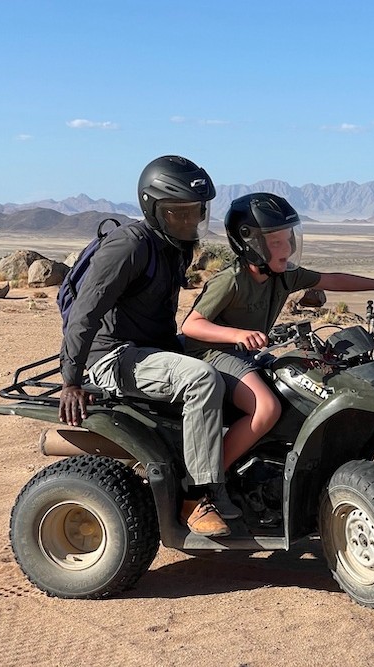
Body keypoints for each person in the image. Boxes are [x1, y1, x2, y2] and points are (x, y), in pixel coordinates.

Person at [180, 193, 374, 503]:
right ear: (250, 244)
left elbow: (331, 279)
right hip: (213, 354)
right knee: (266, 408)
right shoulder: (231, 280)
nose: (287, 249)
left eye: (288, 240)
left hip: (243, 354)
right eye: (276, 242)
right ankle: (205, 487)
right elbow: (192, 325)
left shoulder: (283, 277)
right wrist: (237, 334)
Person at [58, 154, 234, 538]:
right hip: (112, 355)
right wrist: (71, 380)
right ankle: (195, 496)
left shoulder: (174, 244)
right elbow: (84, 314)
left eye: (195, 212)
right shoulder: (128, 247)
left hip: (154, 348)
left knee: (241, 362)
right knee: (201, 379)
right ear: (153, 209)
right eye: (178, 213)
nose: (189, 222)